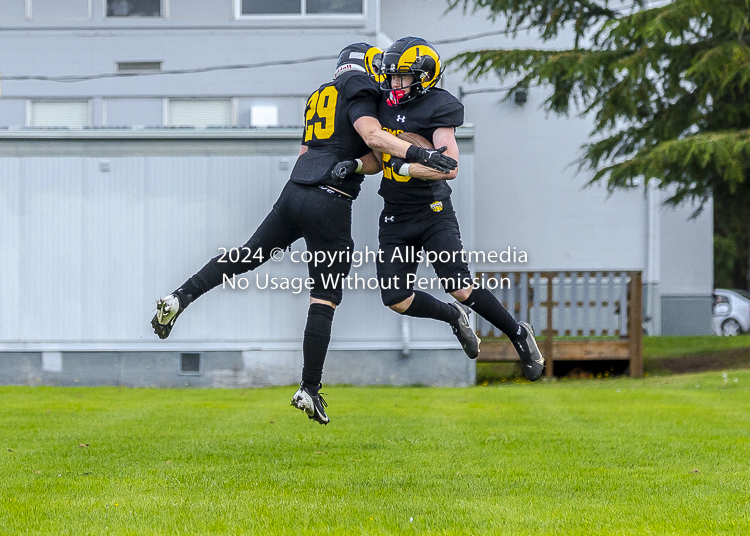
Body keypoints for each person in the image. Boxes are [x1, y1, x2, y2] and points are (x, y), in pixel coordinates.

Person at [150, 43, 458, 425]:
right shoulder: (361, 87)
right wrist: (420, 155)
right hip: (329, 199)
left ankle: (179, 296)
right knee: (324, 298)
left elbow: (310, 151)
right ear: (366, 67)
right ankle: (309, 387)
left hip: (295, 189)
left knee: (246, 255)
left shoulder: (319, 95)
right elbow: (374, 138)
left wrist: (346, 169)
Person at [370, 36, 545, 380]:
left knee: (460, 287)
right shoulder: (382, 104)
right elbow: (375, 151)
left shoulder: (438, 106)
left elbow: (449, 166)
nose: (394, 83)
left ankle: (518, 334)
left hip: (432, 210)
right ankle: (453, 317)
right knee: (396, 297)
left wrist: (404, 166)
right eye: (391, 76)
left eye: (402, 76)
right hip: (394, 212)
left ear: (424, 76)